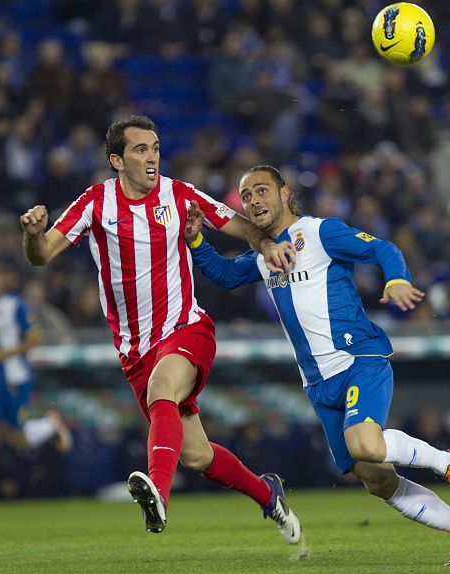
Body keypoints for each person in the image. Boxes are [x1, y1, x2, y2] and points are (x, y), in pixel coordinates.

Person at [184, 165, 450, 566]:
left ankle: (449, 462)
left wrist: (396, 279)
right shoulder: (266, 254)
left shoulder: (319, 232)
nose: (253, 200)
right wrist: (195, 237)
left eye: (262, 190)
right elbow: (225, 275)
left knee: (364, 443)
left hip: (356, 359)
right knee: (377, 480)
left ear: (284, 193)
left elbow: (383, 248)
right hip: (318, 383)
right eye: (245, 196)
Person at [18, 115, 301, 541]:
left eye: (155, 148)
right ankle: (269, 495)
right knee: (196, 455)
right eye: (140, 150)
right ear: (117, 160)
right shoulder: (94, 203)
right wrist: (33, 235)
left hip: (186, 327)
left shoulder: (179, 193)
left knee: (162, 388)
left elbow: (240, 227)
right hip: (135, 351)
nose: (152, 158)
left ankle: (158, 498)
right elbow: (41, 255)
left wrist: (267, 243)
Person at [0, 259, 72, 507]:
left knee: (16, 438)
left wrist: (4, 355)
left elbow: (36, 338)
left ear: (1, 279)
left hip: (15, 378)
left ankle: (50, 425)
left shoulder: (14, 305)